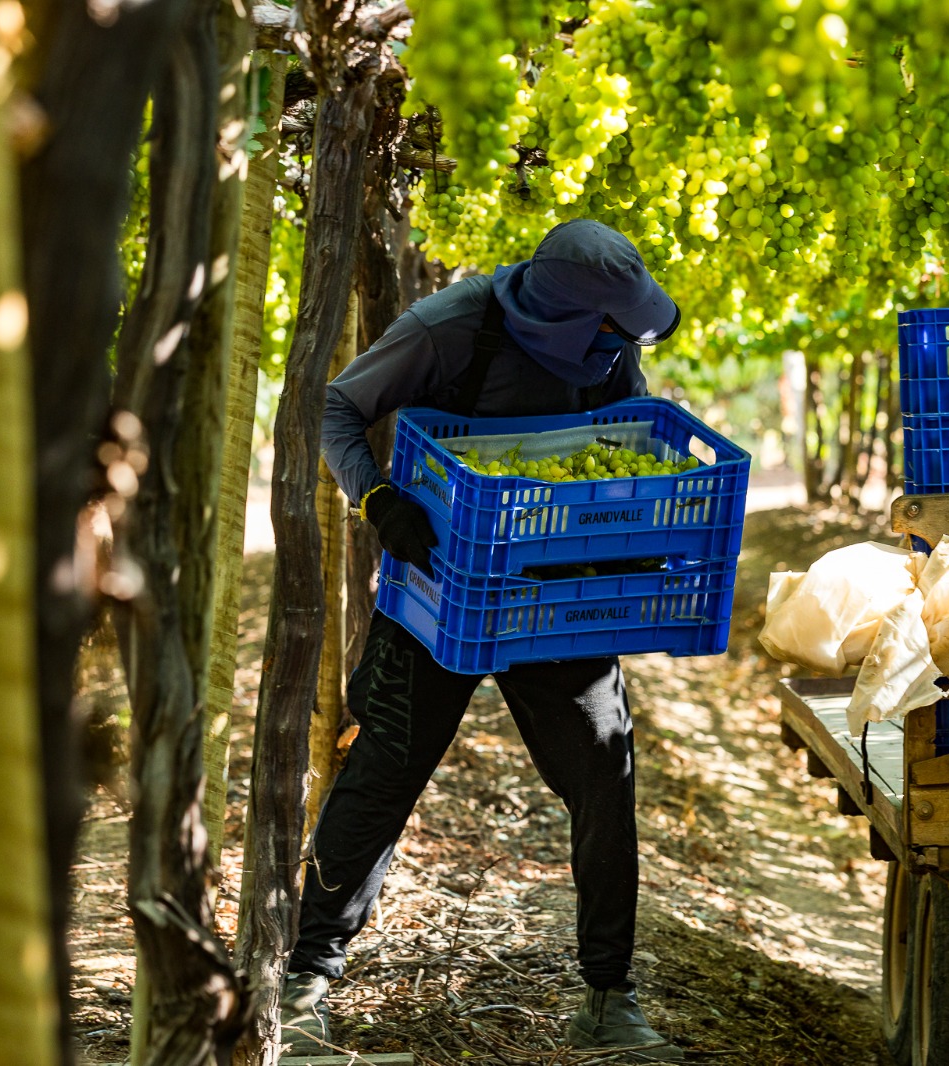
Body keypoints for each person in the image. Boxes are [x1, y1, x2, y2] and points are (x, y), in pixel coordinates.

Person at [279, 219, 686, 1062]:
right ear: (571, 318)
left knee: (606, 769)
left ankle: (609, 999)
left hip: (553, 596)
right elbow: (337, 407)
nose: (622, 344)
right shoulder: (452, 327)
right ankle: (304, 983)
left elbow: (623, 436)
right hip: (439, 590)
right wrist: (378, 501)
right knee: (384, 770)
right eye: (613, 328)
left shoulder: (606, 349)